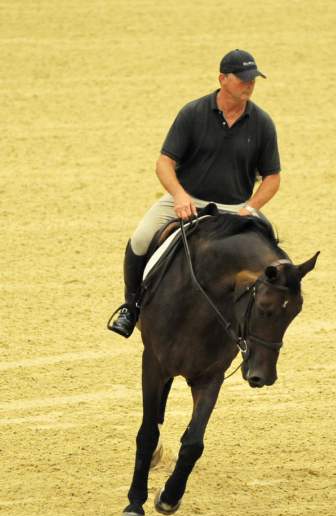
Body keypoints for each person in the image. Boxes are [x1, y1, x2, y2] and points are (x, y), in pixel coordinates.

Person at [108, 49, 281, 338]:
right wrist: (178, 195)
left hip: (235, 208)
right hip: (188, 199)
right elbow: (164, 163)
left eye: (253, 79)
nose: (250, 85)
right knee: (140, 237)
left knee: (271, 252)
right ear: (223, 79)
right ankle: (131, 306)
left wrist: (251, 208)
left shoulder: (262, 123)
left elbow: (272, 178)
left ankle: (263, 319)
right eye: (243, 79)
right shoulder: (193, 113)